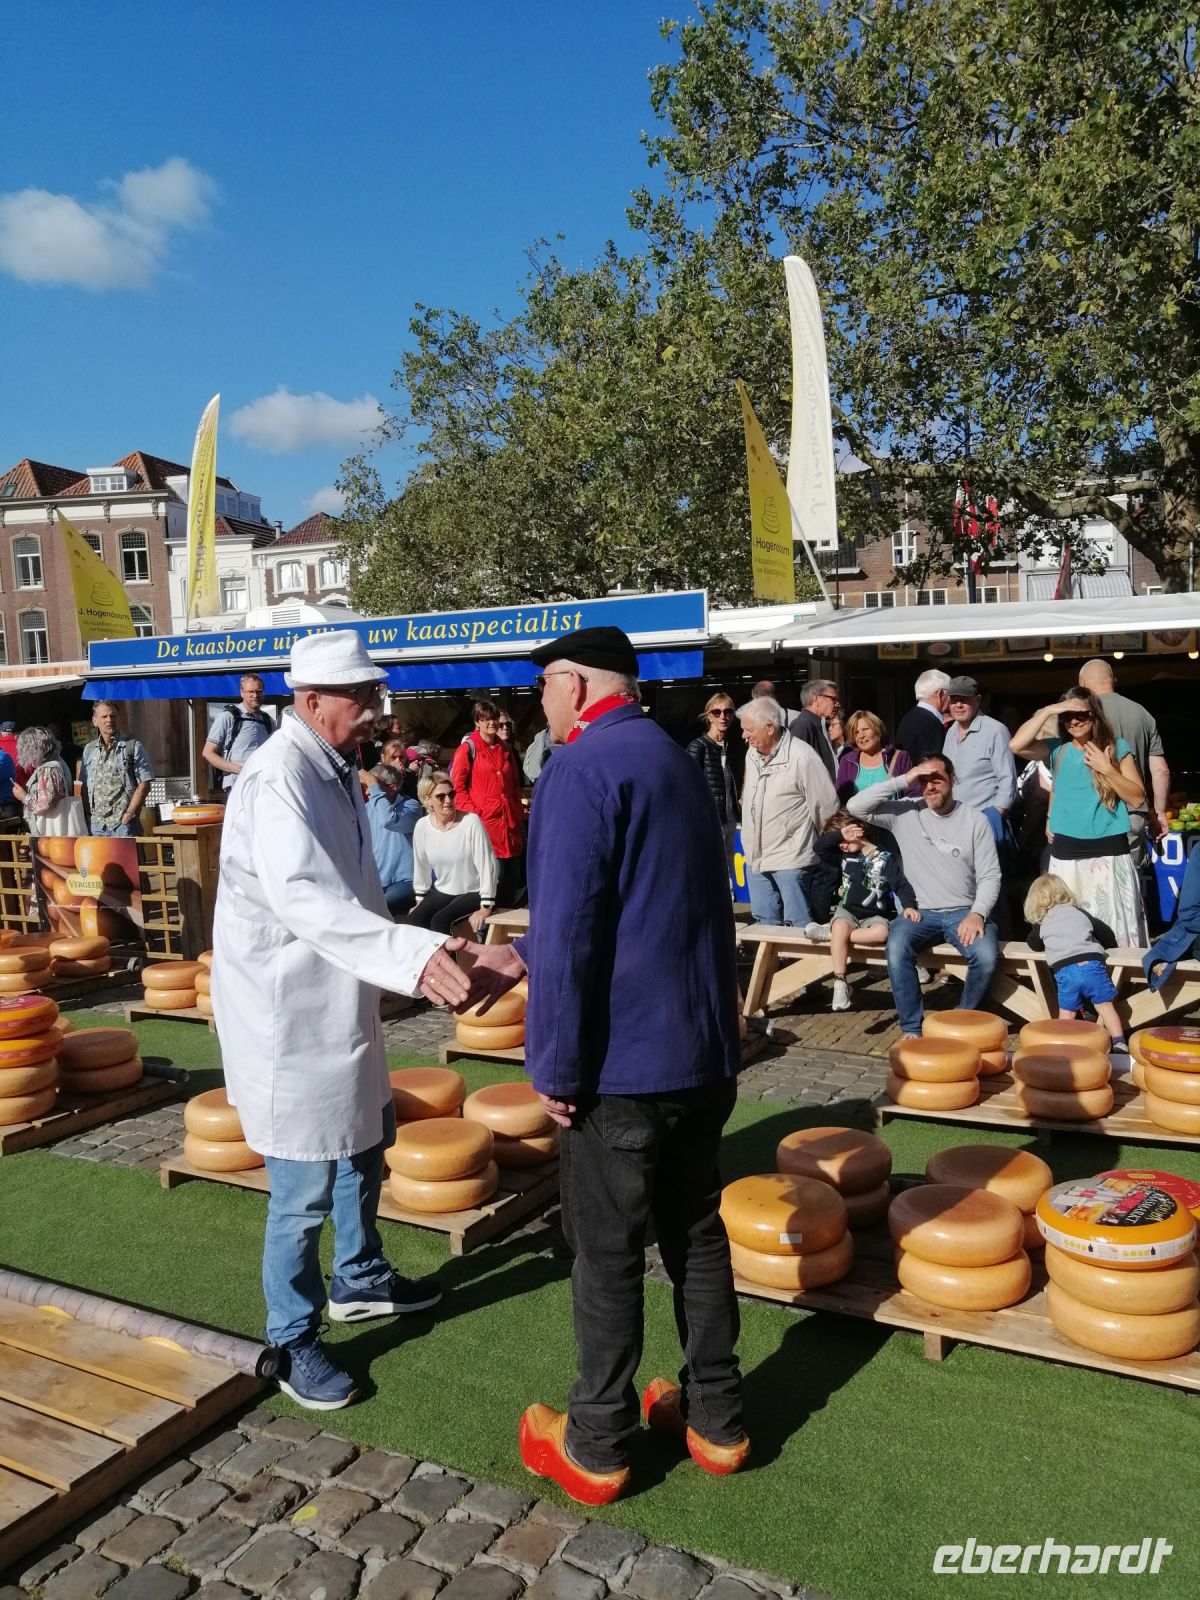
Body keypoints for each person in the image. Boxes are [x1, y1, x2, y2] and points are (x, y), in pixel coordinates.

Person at [468, 625, 747, 1506]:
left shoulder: (578, 770)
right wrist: (523, 952)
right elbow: (646, 897)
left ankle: (596, 1442)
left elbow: (576, 925)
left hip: (622, 1060)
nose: (538, 702)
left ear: (578, 686)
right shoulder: (675, 758)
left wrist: (551, 1066)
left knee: (606, 1248)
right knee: (696, 1231)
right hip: (700, 1048)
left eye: (546, 684)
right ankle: (717, 1420)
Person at [211, 631, 476, 1411]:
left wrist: (416, 942)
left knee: (367, 1138)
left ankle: (358, 1277)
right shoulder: (276, 778)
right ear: (311, 699)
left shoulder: (332, 769)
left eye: (371, 696)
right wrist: (414, 957)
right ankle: (290, 1338)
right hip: (286, 1011)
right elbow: (304, 898)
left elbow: (353, 890)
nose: (373, 712)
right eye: (359, 698)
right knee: (301, 1185)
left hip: (337, 990)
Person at [849, 754, 1001, 1039]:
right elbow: (856, 806)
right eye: (924, 781)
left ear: (953, 779)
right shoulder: (906, 812)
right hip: (919, 913)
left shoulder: (975, 820)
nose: (930, 787)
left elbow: (990, 875)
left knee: (986, 957)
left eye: (937, 779)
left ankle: (961, 1020)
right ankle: (912, 1028)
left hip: (964, 911)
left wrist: (977, 913)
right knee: (896, 948)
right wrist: (905, 778)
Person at [1009, 688, 1147, 947]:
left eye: (1080, 714)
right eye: (1067, 716)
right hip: (1066, 854)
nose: (1073, 721)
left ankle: (1120, 985)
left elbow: (1137, 797)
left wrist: (1107, 769)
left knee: (1115, 930)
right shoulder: (1057, 749)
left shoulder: (1116, 748)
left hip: (1108, 852)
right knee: (1071, 927)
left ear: (1095, 714)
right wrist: (1050, 711)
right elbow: (1016, 745)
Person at [738, 696, 839, 927]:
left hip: (791, 858)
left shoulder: (802, 757)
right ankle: (774, 965)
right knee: (765, 922)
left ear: (770, 727)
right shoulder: (751, 755)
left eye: (748, 729)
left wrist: (812, 843)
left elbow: (826, 806)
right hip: (756, 856)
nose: (744, 736)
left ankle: (803, 964)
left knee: (798, 923)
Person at [806, 811, 916, 1012]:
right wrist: (841, 835)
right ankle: (840, 982)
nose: (842, 845)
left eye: (847, 839)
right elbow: (819, 847)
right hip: (847, 912)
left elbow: (901, 884)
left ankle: (831, 934)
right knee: (841, 924)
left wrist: (909, 906)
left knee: (882, 933)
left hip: (875, 915)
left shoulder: (885, 857)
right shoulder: (843, 854)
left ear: (860, 830)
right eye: (840, 841)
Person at [1023, 873, 1127, 1053]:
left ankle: (1063, 1045)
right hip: (1093, 966)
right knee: (1105, 1006)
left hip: (1065, 971)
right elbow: (1107, 934)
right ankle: (1119, 1042)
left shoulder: (1043, 922)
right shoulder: (1079, 912)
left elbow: (1033, 943)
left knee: (1067, 1013)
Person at [1078, 658, 1171, 853]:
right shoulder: (1142, 713)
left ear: (1082, 684)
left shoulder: (1082, 715)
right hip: (1133, 812)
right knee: (1130, 878)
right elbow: (1161, 770)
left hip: (1095, 812)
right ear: (1114, 680)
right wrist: (1159, 813)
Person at [450, 698, 525, 907]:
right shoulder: (468, 749)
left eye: (494, 719)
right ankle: (484, 931)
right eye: (486, 719)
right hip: (486, 827)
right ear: (477, 722)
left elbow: (515, 783)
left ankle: (504, 929)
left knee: (512, 882)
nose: (491, 723)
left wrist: (517, 810)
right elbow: (458, 789)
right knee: (490, 883)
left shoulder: (507, 748)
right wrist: (476, 814)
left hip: (509, 826)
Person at [409, 770, 498, 935]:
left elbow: (488, 865)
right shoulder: (422, 826)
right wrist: (420, 901)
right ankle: (428, 961)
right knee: (415, 918)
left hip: (475, 890)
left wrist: (486, 906)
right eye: (441, 796)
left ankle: (449, 961)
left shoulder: (470, 822)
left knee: (440, 921)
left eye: (451, 794)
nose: (448, 800)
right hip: (444, 890)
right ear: (427, 800)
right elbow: (421, 866)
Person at [942, 676, 1016, 837]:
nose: (958, 705)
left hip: (985, 823)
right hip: (954, 823)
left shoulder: (995, 730)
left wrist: (995, 816)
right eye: (954, 700)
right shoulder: (950, 732)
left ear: (977, 700)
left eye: (964, 700)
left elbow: (1008, 779)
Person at [80, 701, 153, 837]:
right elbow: (84, 786)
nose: (109, 720)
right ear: (95, 721)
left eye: (113, 716)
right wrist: (87, 816)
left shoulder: (132, 746)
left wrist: (130, 813)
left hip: (123, 824)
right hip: (97, 825)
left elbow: (145, 783)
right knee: (101, 859)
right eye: (104, 717)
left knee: (129, 859)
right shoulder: (89, 750)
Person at [687, 692, 743, 861]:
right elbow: (688, 786)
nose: (723, 717)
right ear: (709, 717)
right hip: (710, 818)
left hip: (731, 817)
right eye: (716, 712)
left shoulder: (732, 746)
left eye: (728, 712)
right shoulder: (698, 746)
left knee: (729, 865)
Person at [364, 761, 422, 916]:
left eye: (374, 785)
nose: (369, 791)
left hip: (405, 882)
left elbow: (389, 820)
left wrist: (375, 789)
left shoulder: (412, 807)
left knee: (379, 908)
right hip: (375, 882)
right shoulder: (367, 808)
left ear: (393, 788)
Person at [202, 672, 274, 791]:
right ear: (242, 693)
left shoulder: (268, 720)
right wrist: (240, 770)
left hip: (262, 784)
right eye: (250, 692)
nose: (255, 695)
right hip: (237, 785)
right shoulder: (228, 717)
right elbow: (208, 753)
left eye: (258, 691)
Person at [12, 727, 79, 836]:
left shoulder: (49, 769)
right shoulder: (58, 762)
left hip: (52, 834)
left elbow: (46, 802)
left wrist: (24, 796)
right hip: (57, 829)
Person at [834, 710, 912, 802]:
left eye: (865, 729)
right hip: (857, 816)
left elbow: (913, 793)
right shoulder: (847, 761)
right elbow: (840, 797)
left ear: (877, 730)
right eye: (856, 732)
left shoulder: (900, 757)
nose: (861, 736)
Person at [895, 670, 951, 764]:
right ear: (940, 694)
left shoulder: (909, 716)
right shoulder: (931, 722)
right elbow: (933, 766)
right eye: (950, 694)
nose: (951, 699)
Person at [790, 679, 840, 780]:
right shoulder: (802, 725)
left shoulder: (820, 725)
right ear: (816, 699)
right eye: (833, 699)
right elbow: (795, 769)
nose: (837, 704)